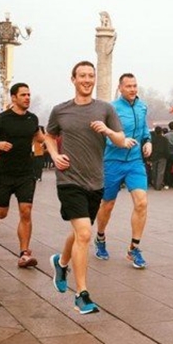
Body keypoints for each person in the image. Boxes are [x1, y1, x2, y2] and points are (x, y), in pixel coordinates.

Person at [45, 61, 126, 315]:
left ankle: (62, 261)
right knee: (83, 234)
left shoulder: (105, 109)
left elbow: (122, 140)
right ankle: (81, 294)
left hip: (95, 180)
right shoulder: (60, 110)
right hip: (69, 179)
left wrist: (108, 131)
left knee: (82, 232)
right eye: (82, 76)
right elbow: (48, 135)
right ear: (73, 79)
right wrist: (55, 155)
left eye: (91, 76)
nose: (87, 80)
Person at [95, 73, 152, 269]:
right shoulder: (111, 108)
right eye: (128, 86)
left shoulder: (142, 106)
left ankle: (134, 249)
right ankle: (100, 237)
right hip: (113, 161)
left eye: (135, 85)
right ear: (120, 88)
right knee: (107, 205)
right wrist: (120, 141)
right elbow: (105, 133)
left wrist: (148, 142)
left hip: (135, 162)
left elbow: (144, 129)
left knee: (141, 203)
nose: (133, 89)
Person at [0, 83, 43, 268]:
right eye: (23, 95)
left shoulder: (32, 119)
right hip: (5, 174)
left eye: (29, 94)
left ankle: (24, 254)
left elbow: (40, 137)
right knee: (2, 212)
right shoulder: (0, 120)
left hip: (26, 174)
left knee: (26, 211)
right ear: (13, 98)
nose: (27, 97)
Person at [150, 126, 169, 190]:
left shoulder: (152, 139)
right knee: (160, 171)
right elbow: (167, 149)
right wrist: (167, 156)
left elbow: (150, 149)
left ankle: (155, 184)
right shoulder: (165, 139)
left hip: (154, 157)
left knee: (154, 171)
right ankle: (158, 186)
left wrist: (149, 158)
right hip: (162, 157)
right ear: (161, 132)